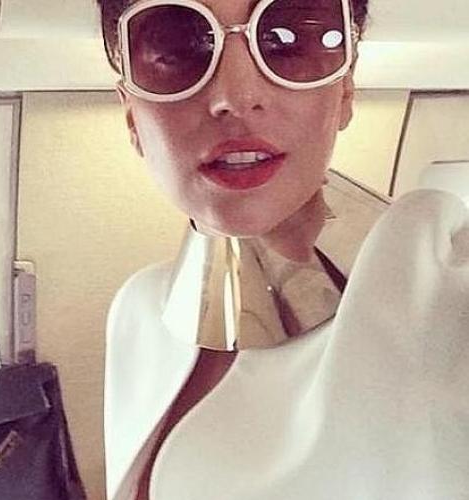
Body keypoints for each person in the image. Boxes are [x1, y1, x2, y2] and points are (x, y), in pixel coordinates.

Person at [97, 0, 469, 499]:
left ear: (345, 92)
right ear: (131, 116)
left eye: (286, 41)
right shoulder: (138, 313)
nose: (235, 97)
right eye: (178, 48)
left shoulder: (440, 303)